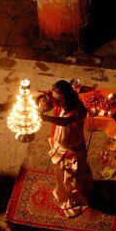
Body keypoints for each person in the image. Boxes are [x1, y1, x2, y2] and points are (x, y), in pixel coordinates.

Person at [39, 80, 92, 218]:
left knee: (72, 179)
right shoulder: (59, 100)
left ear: (67, 98)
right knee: (60, 175)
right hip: (60, 145)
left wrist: (45, 118)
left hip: (73, 150)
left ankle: (74, 200)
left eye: (59, 100)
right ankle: (62, 194)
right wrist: (43, 104)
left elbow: (66, 121)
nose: (56, 102)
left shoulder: (78, 110)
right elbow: (50, 101)